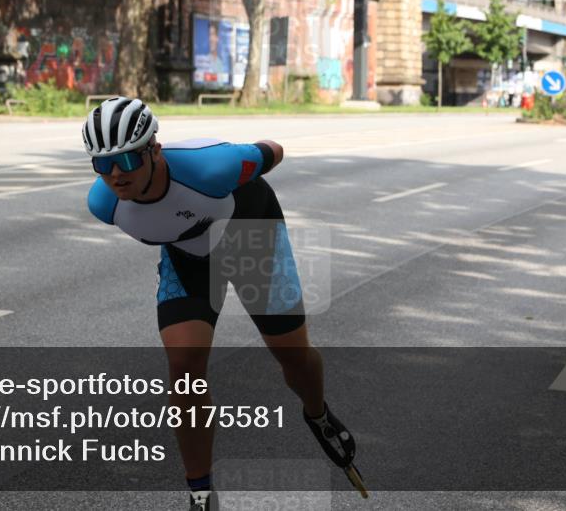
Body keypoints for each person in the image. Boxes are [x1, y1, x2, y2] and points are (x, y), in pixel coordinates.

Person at [83, 97, 359, 511]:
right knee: (184, 369)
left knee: (292, 356)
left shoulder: (212, 167)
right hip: (189, 255)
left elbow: (274, 151)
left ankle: (317, 413)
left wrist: (250, 154)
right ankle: (201, 492)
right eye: (103, 164)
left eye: (126, 159)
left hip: (252, 236)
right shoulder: (105, 205)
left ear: (154, 149)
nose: (116, 175)